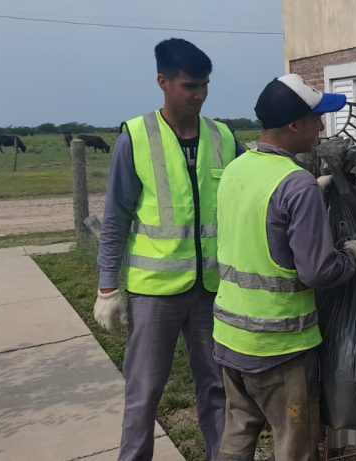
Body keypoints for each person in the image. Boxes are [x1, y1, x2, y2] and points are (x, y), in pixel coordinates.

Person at [92, 38, 241, 461]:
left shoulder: (223, 137)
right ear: (163, 82)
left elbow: (250, 184)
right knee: (144, 392)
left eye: (205, 86)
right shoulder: (135, 138)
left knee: (216, 388)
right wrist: (107, 287)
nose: (200, 95)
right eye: (190, 86)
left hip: (210, 289)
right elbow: (116, 217)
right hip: (154, 291)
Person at [212, 74, 356, 461]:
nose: (321, 127)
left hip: (231, 337)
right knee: (294, 446)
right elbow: (318, 271)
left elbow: (260, 225)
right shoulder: (295, 184)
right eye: (316, 118)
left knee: (237, 432)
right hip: (280, 347)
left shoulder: (237, 168)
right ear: (293, 124)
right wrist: (354, 254)